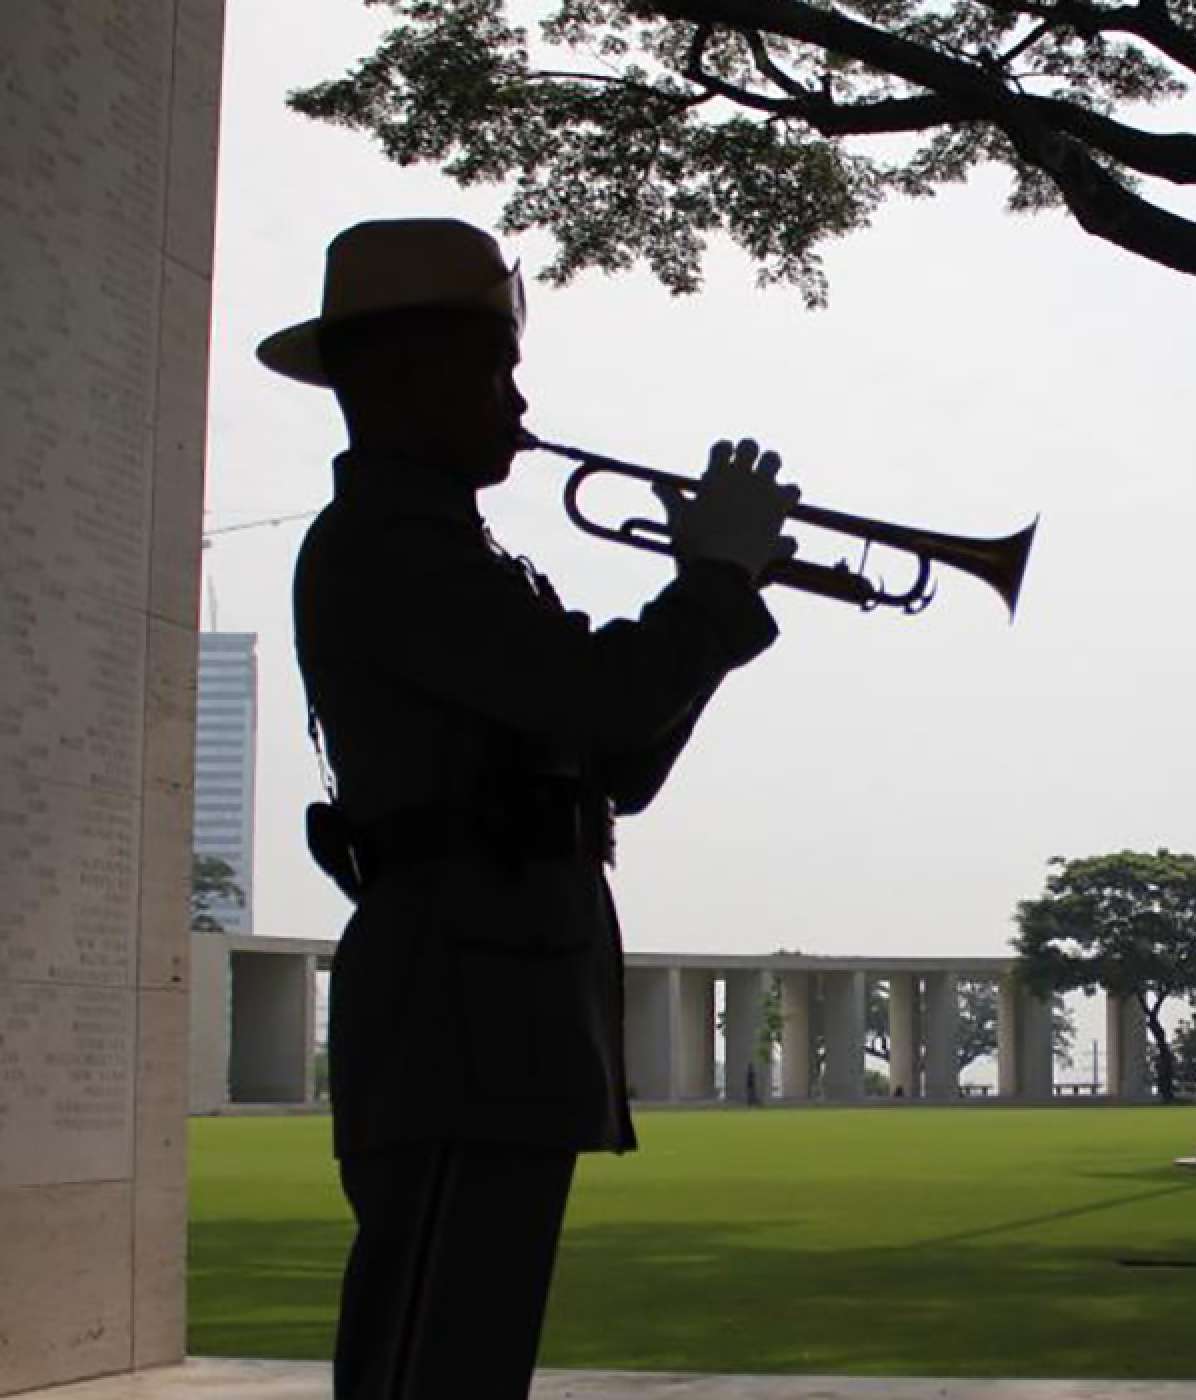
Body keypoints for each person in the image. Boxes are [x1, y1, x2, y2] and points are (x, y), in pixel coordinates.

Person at [259, 218, 801, 1400]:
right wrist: (711, 584)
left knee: (473, 1347)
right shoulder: (392, 546)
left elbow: (617, 770)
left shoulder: (471, 554)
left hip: (506, 988)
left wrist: (710, 606)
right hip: (457, 991)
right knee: (431, 1357)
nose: (518, 398)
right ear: (404, 374)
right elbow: (601, 706)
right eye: (494, 365)